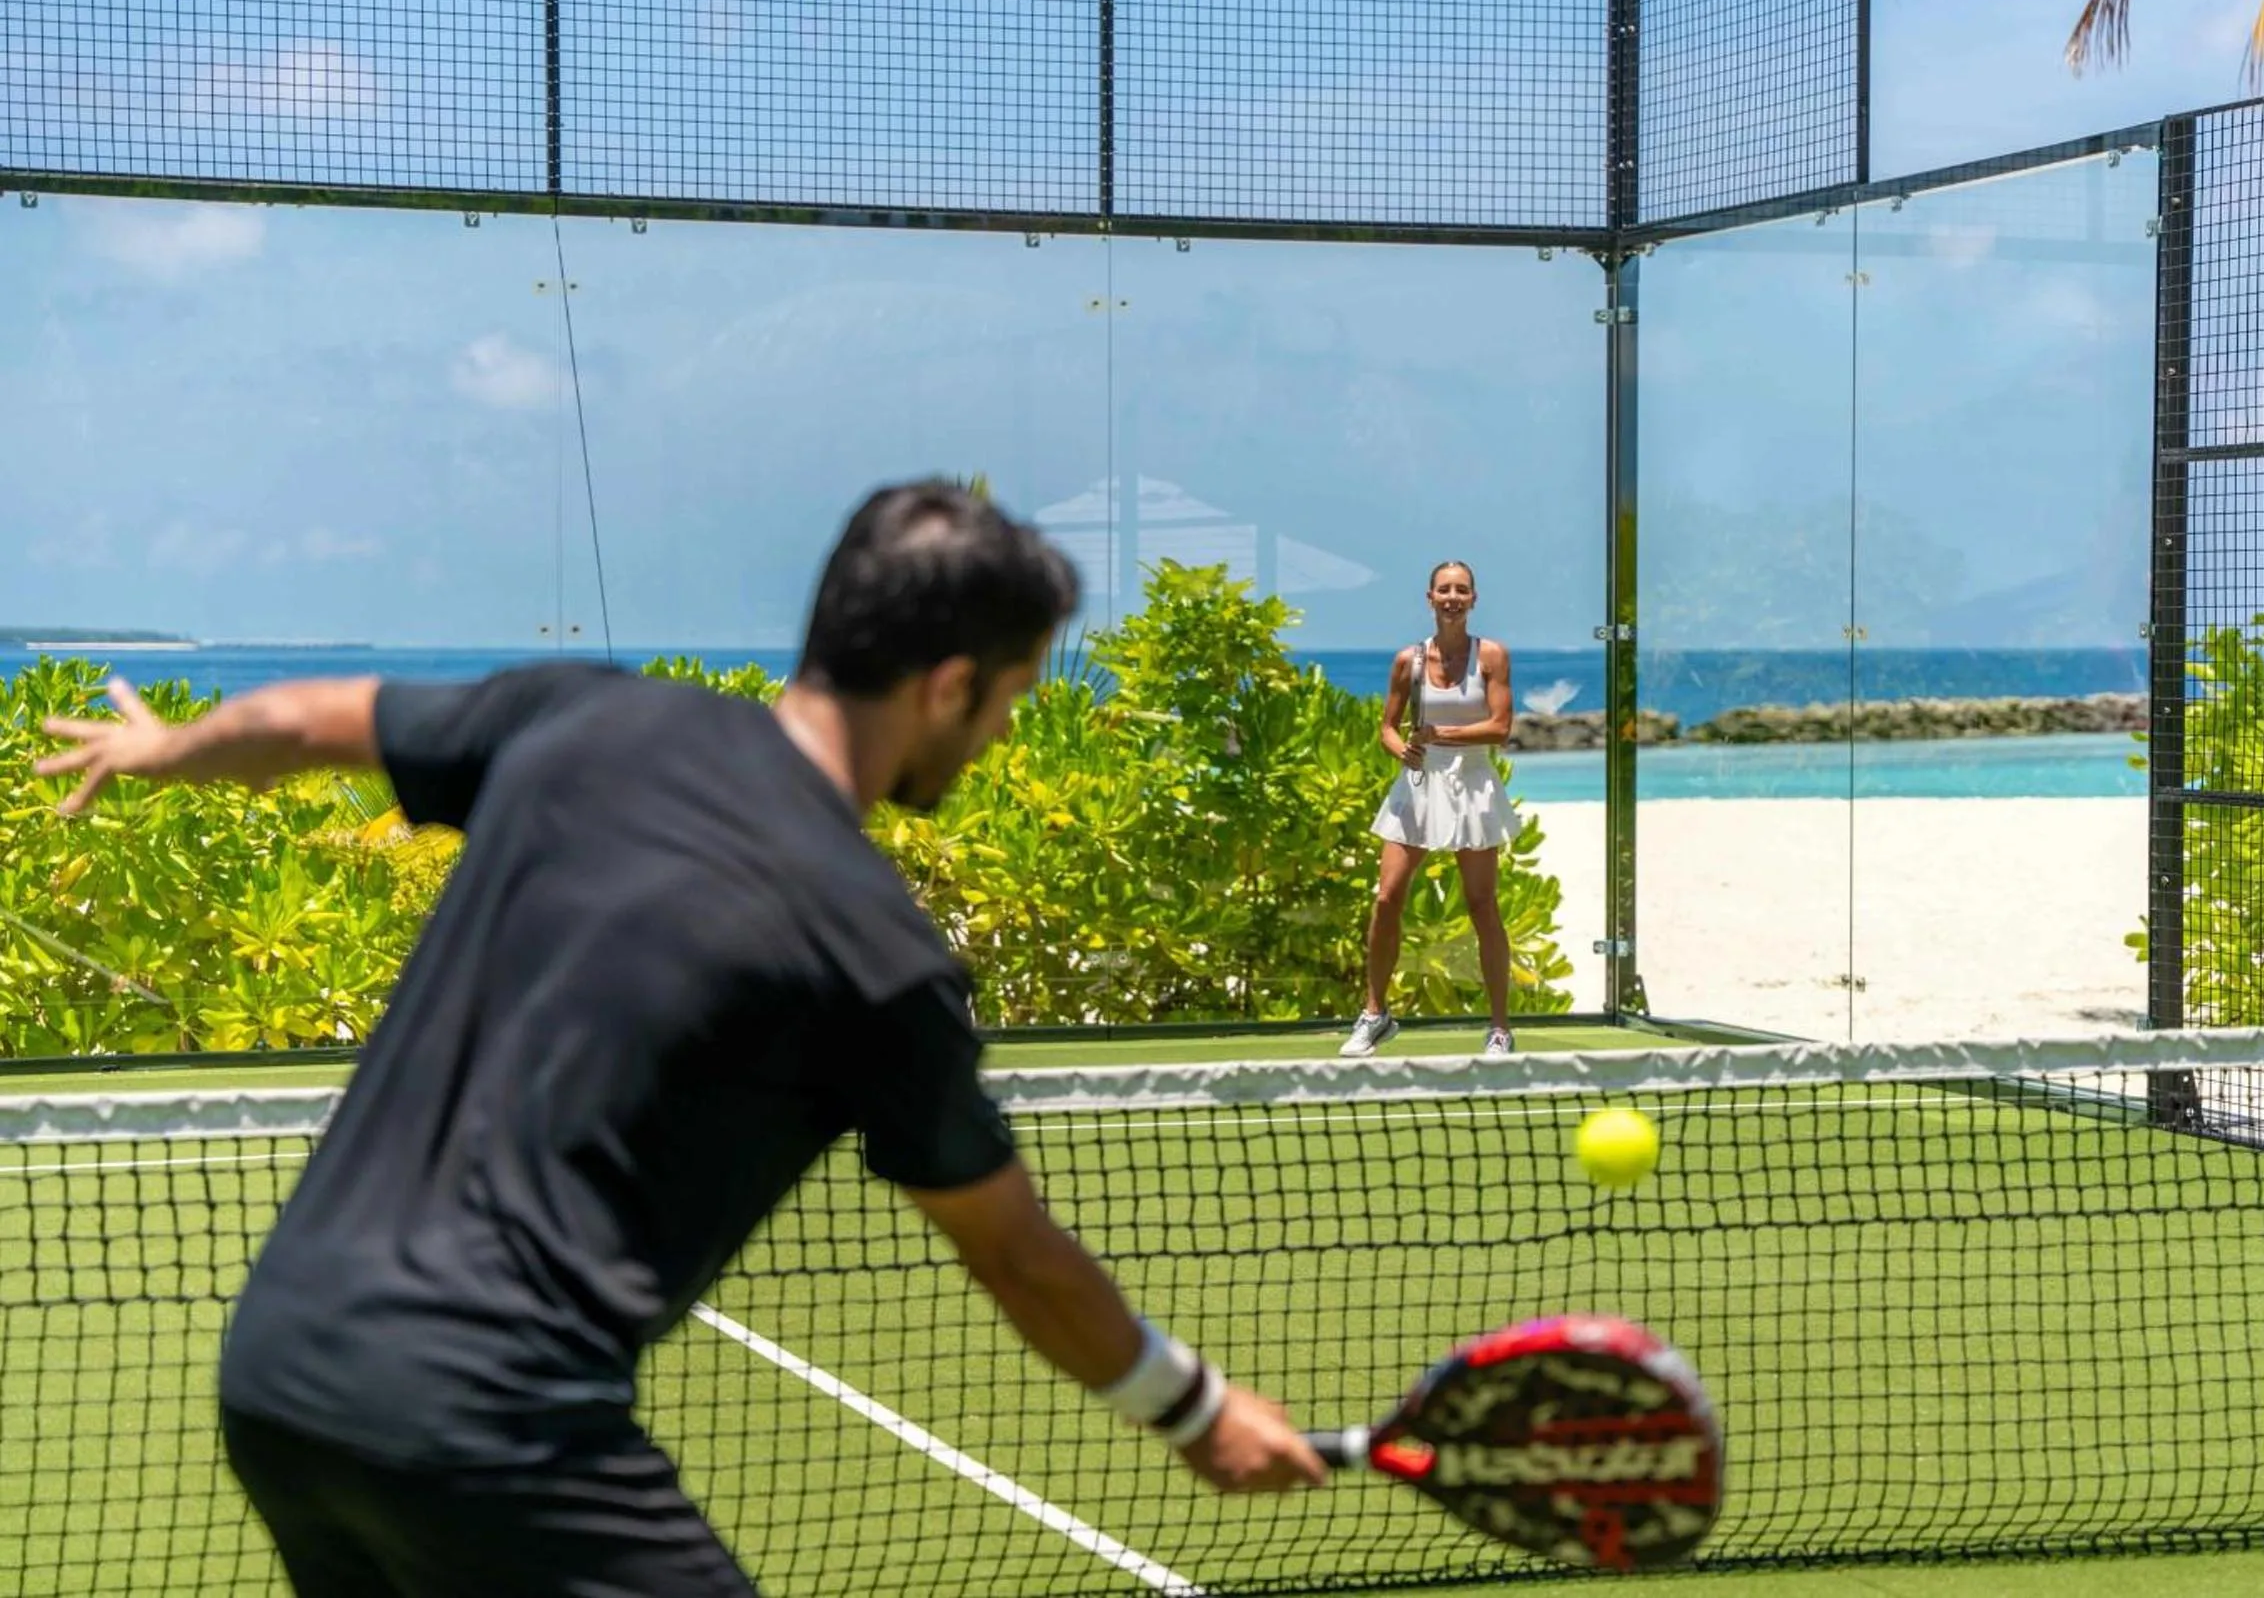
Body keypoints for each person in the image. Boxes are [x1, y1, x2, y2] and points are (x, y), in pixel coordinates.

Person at [32, 479, 1323, 1597]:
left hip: (282, 1374)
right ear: (945, 685)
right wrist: (1197, 1408)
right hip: (489, 1419)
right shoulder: (876, 952)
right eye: (1007, 698)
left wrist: (163, 747)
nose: (996, 734)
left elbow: (316, 720)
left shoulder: (580, 714)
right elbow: (1015, 1253)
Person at [1340, 559, 1524, 1060]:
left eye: (1461, 590)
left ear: (1473, 599)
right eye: (1444, 589)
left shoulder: (1491, 657)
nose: (1452, 597)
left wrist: (1443, 736)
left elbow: (1500, 726)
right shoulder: (1408, 661)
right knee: (1386, 898)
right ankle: (1376, 1015)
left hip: (1473, 786)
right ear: (1429, 597)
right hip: (1417, 788)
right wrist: (1401, 749)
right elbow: (1387, 727)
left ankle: (1501, 1029)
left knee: (1483, 906)